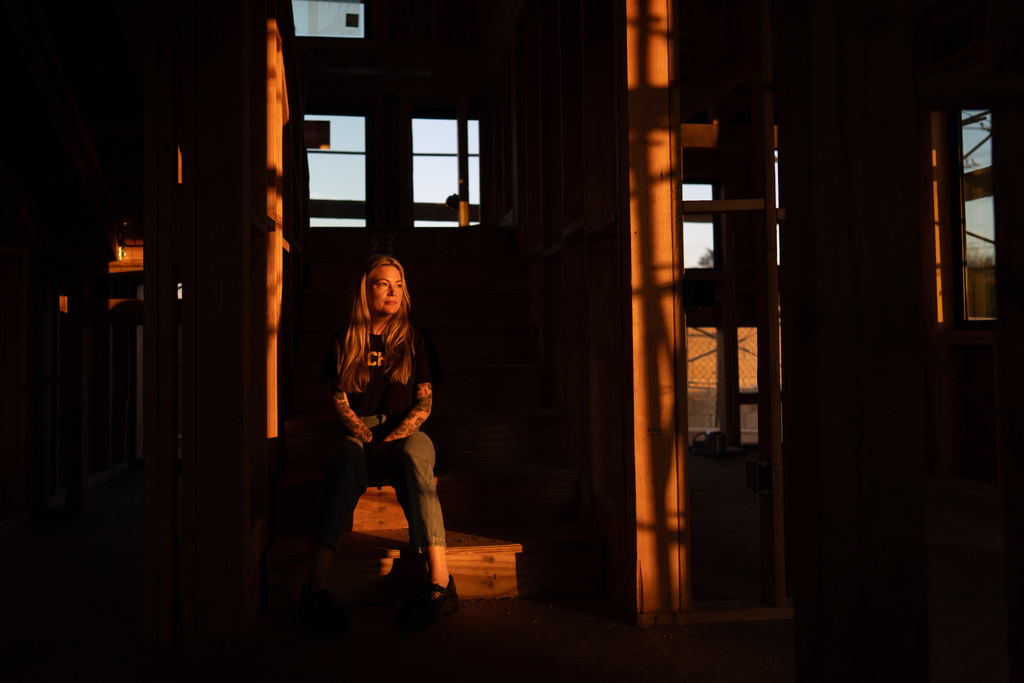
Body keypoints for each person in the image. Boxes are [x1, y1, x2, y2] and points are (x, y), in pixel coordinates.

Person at [298, 254, 458, 636]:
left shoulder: (416, 338)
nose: (393, 291)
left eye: (399, 284)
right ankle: (315, 588)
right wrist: (368, 440)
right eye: (383, 283)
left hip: (405, 429)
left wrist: (392, 439)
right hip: (357, 432)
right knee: (347, 461)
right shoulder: (343, 340)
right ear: (364, 290)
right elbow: (339, 403)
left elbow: (424, 403)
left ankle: (441, 584)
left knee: (415, 458)